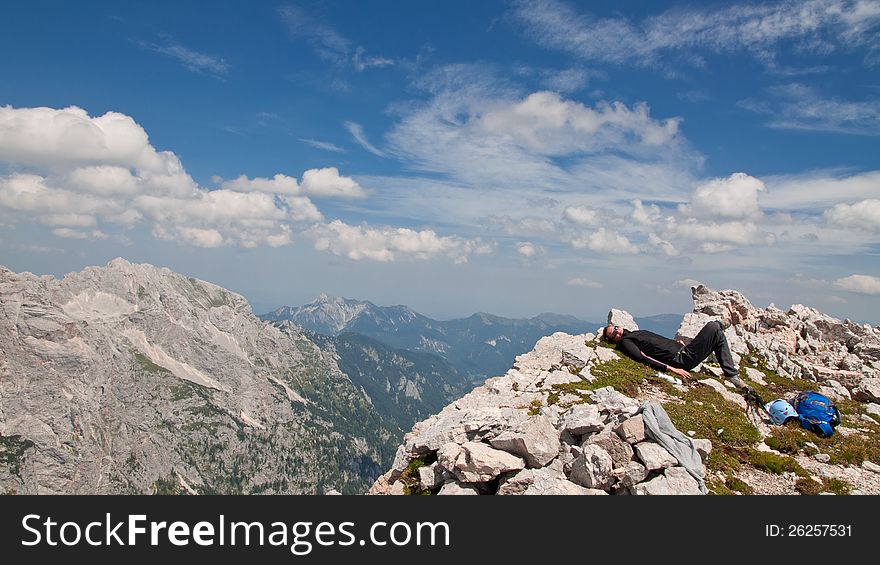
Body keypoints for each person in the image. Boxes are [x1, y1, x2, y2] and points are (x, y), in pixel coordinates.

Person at [599, 320, 749, 390]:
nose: (617, 331)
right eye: (613, 334)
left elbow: (657, 343)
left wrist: (677, 344)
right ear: (614, 340)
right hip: (680, 359)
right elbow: (642, 357)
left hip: (683, 351)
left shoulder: (633, 334)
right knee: (713, 327)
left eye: (616, 328)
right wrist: (671, 369)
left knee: (718, 336)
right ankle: (724, 324)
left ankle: (731, 374)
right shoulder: (625, 342)